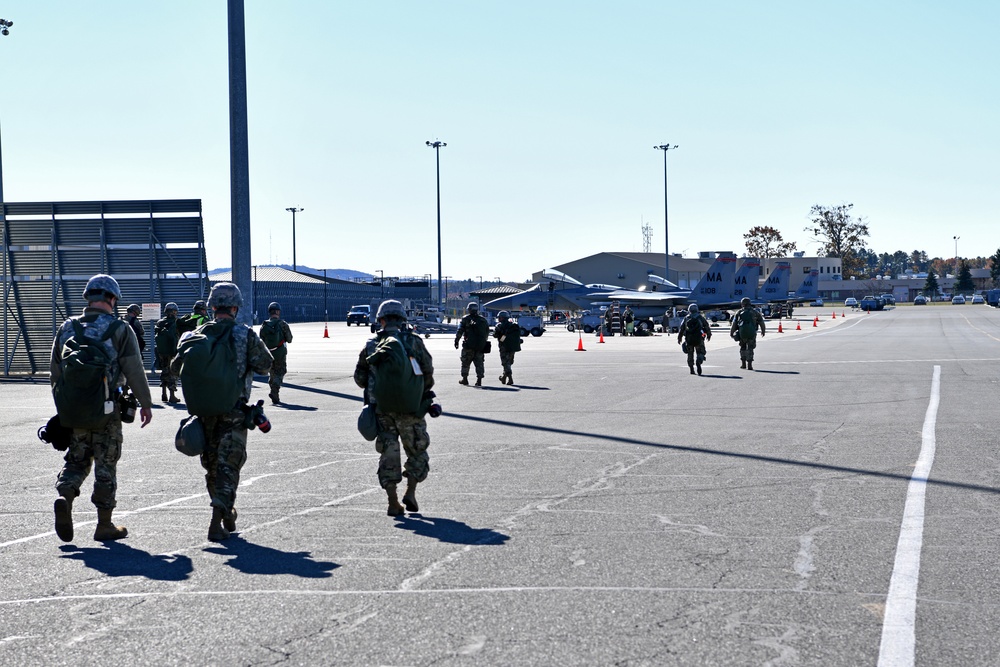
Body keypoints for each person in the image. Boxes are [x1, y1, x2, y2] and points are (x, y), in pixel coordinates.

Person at [50, 274, 153, 542]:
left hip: (75, 410)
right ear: (111, 298)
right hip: (108, 410)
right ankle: (104, 525)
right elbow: (134, 370)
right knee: (106, 464)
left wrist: (66, 408)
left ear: (88, 298)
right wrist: (145, 403)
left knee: (78, 459)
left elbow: (55, 373)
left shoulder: (67, 327)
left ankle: (65, 495)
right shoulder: (120, 328)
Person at [171, 282, 272, 541]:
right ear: (236, 307)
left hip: (203, 412)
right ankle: (217, 518)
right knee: (229, 465)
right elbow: (265, 366)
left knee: (213, 466)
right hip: (233, 410)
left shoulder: (193, 335)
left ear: (212, 307)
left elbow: (174, 368)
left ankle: (225, 511)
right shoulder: (244, 334)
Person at [354, 300, 435, 516]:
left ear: (380, 320)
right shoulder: (414, 342)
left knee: (388, 454)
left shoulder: (372, 345)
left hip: (382, 409)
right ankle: (410, 492)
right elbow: (427, 371)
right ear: (402, 319)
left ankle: (392, 502)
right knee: (417, 450)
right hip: (411, 409)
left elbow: (360, 378)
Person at [259, 302, 294, 405]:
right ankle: (274, 391)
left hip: (268, 353)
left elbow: (261, 340)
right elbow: (290, 339)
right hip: (280, 353)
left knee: (272, 373)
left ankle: (274, 393)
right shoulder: (283, 324)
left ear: (270, 312)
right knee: (280, 371)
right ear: (278, 312)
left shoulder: (264, 325)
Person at [454, 301, 489, 386]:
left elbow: (460, 330)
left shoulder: (465, 319)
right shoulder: (483, 320)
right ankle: (479, 380)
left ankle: (465, 379)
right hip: (480, 346)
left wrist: (457, 340)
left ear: (469, 310)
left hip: (468, 345)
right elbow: (487, 332)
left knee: (465, 362)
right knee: (479, 363)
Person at [154, 302, 180, 403]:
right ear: (174, 311)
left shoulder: (160, 323)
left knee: (164, 370)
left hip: (162, 351)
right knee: (173, 372)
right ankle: (172, 395)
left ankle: (163, 393)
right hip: (172, 350)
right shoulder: (176, 322)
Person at [730, 297, 766, 370]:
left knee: (742, 347)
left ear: (742, 304)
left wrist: (731, 333)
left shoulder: (738, 312)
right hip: (752, 333)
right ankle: (749, 364)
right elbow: (761, 323)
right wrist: (763, 331)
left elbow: (734, 324)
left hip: (742, 333)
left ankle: (743, 364)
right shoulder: (755, 312)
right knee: (750, 348)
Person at [677, 304, 712, 375]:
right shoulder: (700, 318)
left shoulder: (686, 318)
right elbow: (706, 326)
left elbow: (681, 328)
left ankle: (691, 369)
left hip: (689, 339)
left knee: (690, 354)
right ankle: (698, 362)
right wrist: (708, 335)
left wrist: (679, 338)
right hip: (699, 338)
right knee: (701, 352)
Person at [493, 310, 522, 385]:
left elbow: (495, 335)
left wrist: (502, 338)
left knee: (505, 363)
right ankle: (504, 377)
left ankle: (510, 379)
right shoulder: (513, 325)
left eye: (499, 317)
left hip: (504, 347)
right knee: (508, 362)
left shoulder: (499, 325)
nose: (499, 319)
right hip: (512, 347)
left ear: (502, 318)